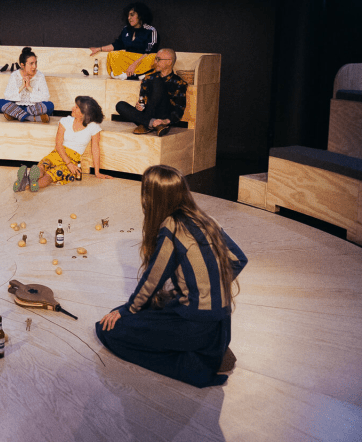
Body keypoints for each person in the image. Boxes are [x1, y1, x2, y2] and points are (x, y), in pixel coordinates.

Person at [96, 165, 248, 388]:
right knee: (136, 309)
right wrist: (209, 287)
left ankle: (192, 364)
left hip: (194, 324)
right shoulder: (206, 219)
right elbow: (239, 259)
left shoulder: (172, 226)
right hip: (221, 325)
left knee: (107, 329)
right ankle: (210, 349)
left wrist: (126, 311)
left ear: (152, 198)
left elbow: (152, 280)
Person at [14, 96, 113, 192]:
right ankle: (28, 181)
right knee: (42, 168)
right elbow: (58, 145)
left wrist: (97, 172)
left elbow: (95, 149)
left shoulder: (93, 127)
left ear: (84, 113)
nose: (72, 108)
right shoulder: (65, 121)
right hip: (58, 153)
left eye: (76, 107)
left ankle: (25, 183)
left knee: (50, 176)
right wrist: (68, 163)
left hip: (73, 159)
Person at [115, 48, 187, 136]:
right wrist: (139, 107)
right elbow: (143, 100)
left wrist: (165, 121)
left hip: (163, 117)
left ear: (169, 62)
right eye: (155, 59)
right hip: (148, 115)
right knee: (120, 105)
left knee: (158, 82)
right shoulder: (148, 78)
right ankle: (154, 124)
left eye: (158, 59)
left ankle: (150, 124)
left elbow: (179, 108)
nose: (155, 62)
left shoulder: (179, 83)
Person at [88, 3, 159, 78]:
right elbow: (117, 45)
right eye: (128, 16)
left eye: (132, 15)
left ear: (140, 15)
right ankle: (129, 75)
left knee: (153, 57)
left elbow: (149, 52)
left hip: (142, 60)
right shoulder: (126, 29)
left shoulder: (150, 30)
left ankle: (135, 74)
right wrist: (99, 49)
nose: (129, 18)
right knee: (112, 55)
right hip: (128, 59)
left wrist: (134, 65)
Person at [0, 47, 53, 123]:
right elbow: (7, 96)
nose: (35, 66)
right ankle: (31, 118)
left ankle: (16, 115)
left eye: (35, 63)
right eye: (31, 64)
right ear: (22, 65)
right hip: (17, 106)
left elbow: (46, 97)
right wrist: (22, 87)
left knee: (50, 105)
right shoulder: (15, 75)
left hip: (33, 108)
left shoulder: (40, 76)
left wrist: (29, 88)